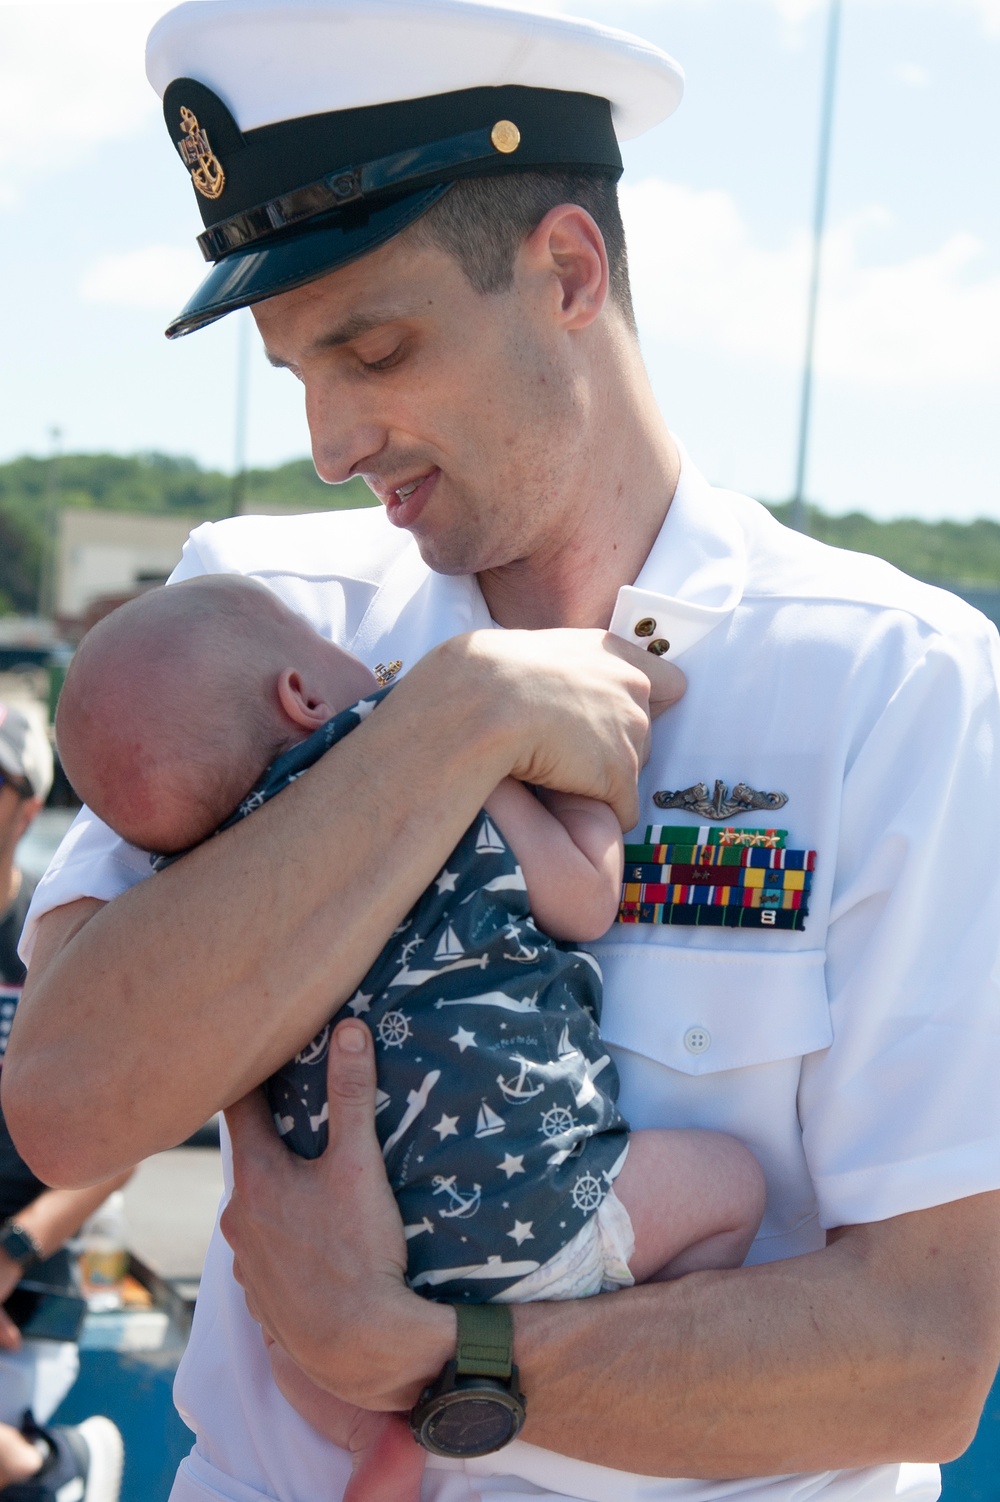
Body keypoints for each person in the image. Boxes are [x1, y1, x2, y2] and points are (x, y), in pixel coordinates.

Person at [4, 2, 1000, 1501]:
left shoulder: (893, 685)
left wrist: (430, 1356)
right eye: (295, 371)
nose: (333, 439)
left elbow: (927, 1349)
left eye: (377, 347)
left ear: (568, 271)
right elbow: (68, 1096)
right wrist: (443, 725)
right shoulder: (257, 615)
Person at [53, 574, 765, 1499]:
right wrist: (597, 788)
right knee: (736, 1187)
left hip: (337, 1283)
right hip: (540, 1221)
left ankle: (372, 1438)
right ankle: (626, 1329)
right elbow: (586, 900)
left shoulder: (206, 897)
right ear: (302, 694)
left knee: (289, 1339)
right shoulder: (435, 753)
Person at [0, 703, 126, 1501]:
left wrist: (10, 1251)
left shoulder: (57, 937)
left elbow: (119, 1144)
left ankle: (57, 1469)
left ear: (22, 804)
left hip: (29, 1285)